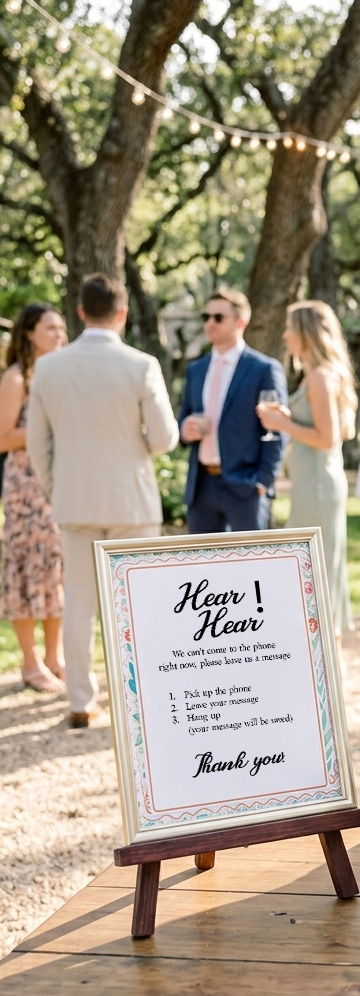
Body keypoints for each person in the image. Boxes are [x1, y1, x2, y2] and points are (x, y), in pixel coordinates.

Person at [27, 275, 178, 727]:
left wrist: (59, 488)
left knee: (78, 601)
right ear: (122, 313)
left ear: (79, 312)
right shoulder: (141, 365)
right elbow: (166, 439)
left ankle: (80, 701)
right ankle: (143, 699)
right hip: (132, 501)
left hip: (75, 501)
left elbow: (37, 443)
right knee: (139, 602)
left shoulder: (49, 368)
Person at [257, 300, 357, 634]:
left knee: (317, 570)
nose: (285, 335)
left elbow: (327, 438)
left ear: (305, 333)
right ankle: (328, 656)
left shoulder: (318, 377)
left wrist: (281, 424)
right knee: (320, 567)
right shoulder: (323, 374)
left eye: (290, 328)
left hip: (317, 485)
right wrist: (288, 418)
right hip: (315, 484)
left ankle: (325, 657)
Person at [179, 287, 288, 533]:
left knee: (249, 570)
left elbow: (278, 429)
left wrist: (263, 481)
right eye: (205, 317)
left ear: (241, 321)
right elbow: (183, 419)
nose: (210, 323)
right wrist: (185, 431)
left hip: (245, 488)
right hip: (201, 488)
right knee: (202, 569)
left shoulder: (264, 369)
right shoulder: (195, 370)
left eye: (218, 317)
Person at [0, 303, 67, 693]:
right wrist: (46, 427)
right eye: (51, 328)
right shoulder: (15, 378)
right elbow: (3, 437)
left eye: (62, 328)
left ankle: (55, 657)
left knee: (55, 568)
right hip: (26, 485)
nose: (60, 335)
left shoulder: (60, 374)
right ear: (29, 333)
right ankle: (30, 662)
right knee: (26, 568)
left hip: (58, 482)